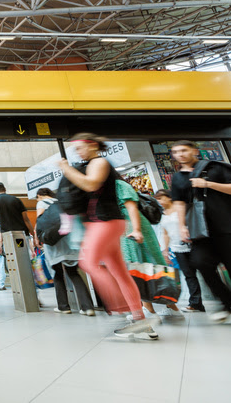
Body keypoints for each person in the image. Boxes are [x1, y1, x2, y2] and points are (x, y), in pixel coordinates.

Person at [59, 133, 157, 339]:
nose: (78, 152)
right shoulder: (94, 163)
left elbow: (91, 184)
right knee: (120, 273)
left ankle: (121, 308)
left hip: (104, 223)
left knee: (88, 263)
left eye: (79, 148)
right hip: (108, 223)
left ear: (92, 145)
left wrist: (66, 169)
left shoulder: (100, 161)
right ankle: (140, 320)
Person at [170, 140, 231, 328]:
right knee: (200, 262)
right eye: (175, 152)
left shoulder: (215, 168)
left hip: (230, 227)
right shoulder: (177, 178)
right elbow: (179, 203)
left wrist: (207, 184)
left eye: (184, 150)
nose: (180, 154)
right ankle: (227, 302)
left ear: (194, 151)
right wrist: (182, 226)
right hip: (201, 232)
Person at [115, 179, 183, 321]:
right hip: (133, 228)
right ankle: (170, 307)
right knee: (149, 265)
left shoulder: (118, 185)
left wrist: (136, 230)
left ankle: (149, 310)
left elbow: (131, 207)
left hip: (132, 228)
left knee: (139, 265)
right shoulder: (115, 186)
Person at [36, 188, 95, 316]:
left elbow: (39, 222)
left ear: (40, 195)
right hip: (69, 240)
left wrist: (37, 238)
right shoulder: (61, 202)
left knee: (57, 273)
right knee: (74, 273)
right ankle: (87, 307)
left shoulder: (42, 203)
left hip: (54, 243)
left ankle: (63, 306)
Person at [155, 189, 204, 312]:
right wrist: (166, 249)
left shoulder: (179, 208)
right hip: (177, 248)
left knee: (205, 271)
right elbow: (165, 233)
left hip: (192, 244)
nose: (159, 201)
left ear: (169, 197)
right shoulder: (163, 214)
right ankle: (195, 303)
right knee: (189, 275)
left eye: (161, 198)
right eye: (158, 199)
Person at [0, 182, 35, 256]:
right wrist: (34, 236)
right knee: (25, 259)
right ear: (5, 189)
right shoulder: (16, 200)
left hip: (8, 236)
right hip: (22, 234)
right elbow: (26, 219)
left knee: (12, 260)